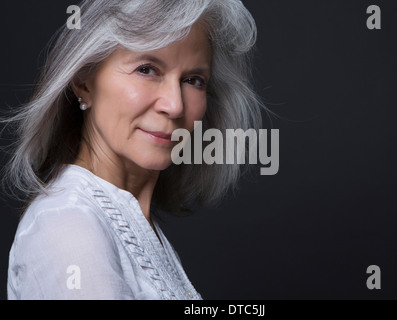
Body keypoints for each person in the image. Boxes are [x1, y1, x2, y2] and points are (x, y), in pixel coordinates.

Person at [3, 0, 264, 299]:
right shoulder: (69, 226)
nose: (175, 105)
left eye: (193, 80)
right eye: (147, 69)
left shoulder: (126, 219)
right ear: (83, 81)